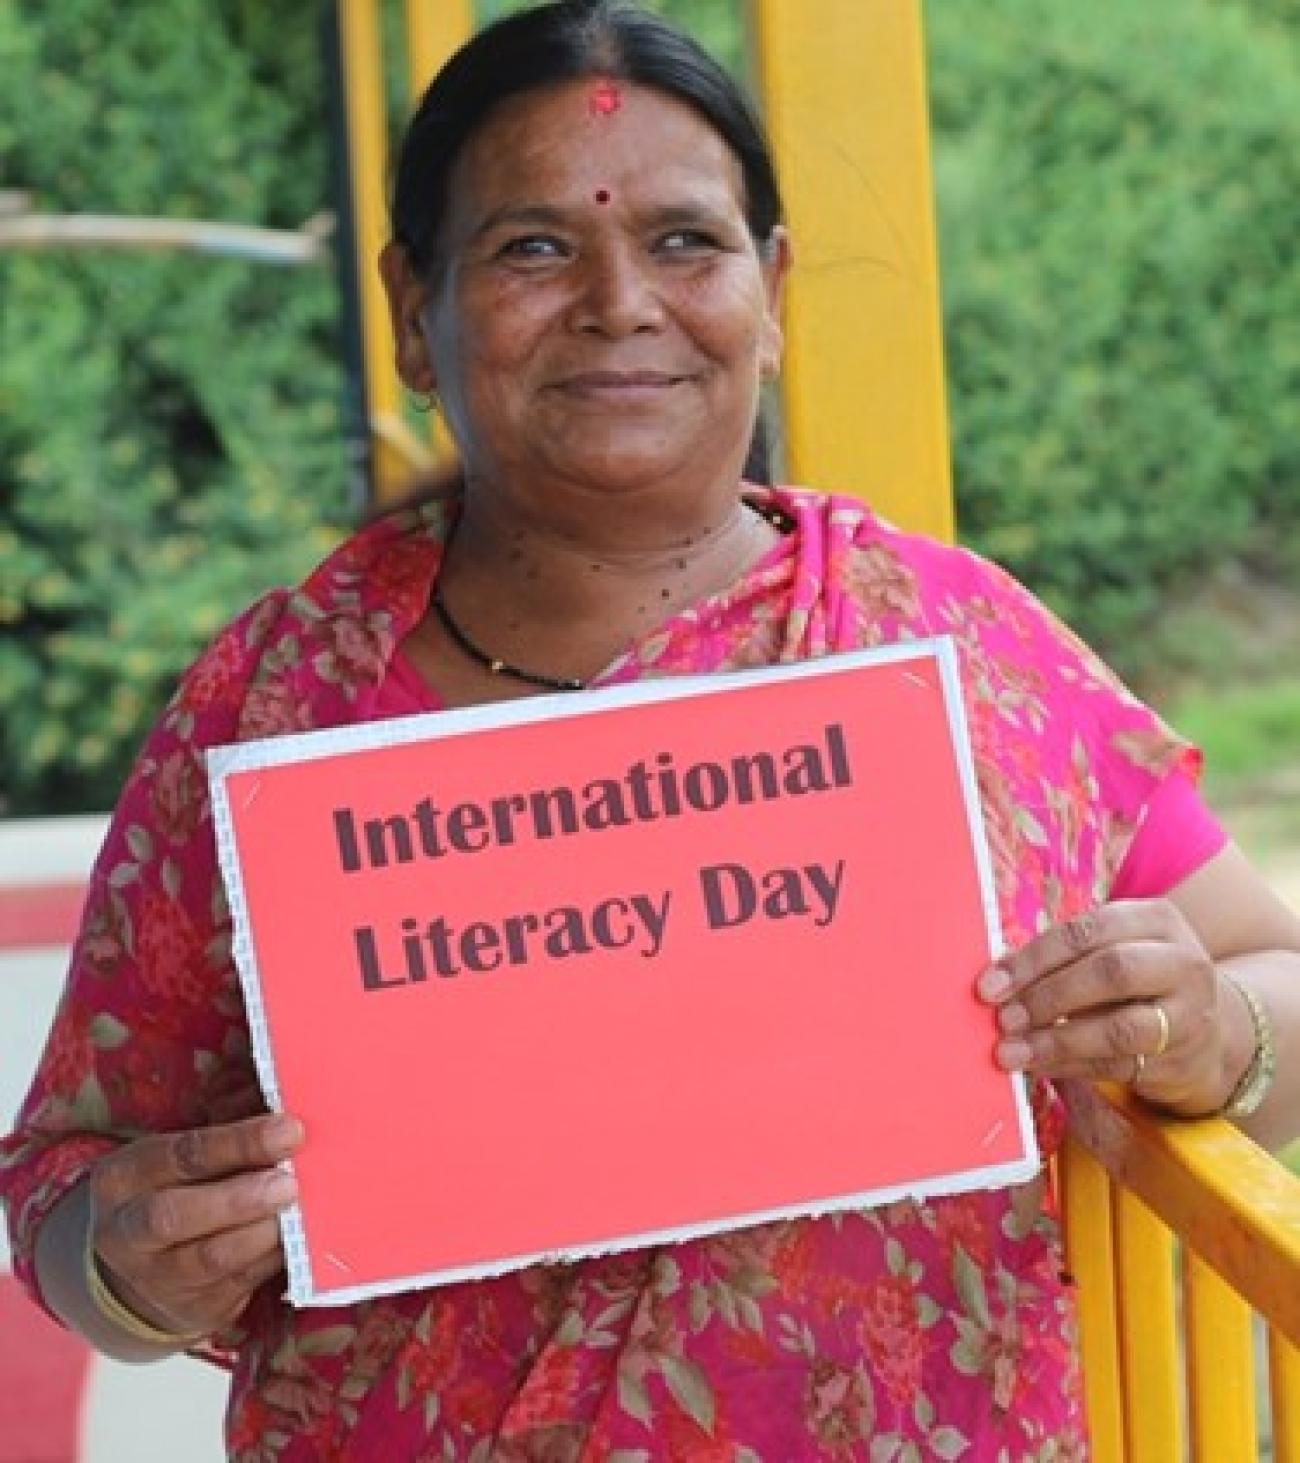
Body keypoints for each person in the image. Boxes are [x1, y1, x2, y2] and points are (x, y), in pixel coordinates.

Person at [4, 2, 1298, 1457]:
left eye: (687, 241)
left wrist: (1213, 1032)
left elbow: (1275, 971)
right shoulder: (277, 703)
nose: (621, 300)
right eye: (533, 248)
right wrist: (124, 1264)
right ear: (409, 308)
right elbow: (63, 1180)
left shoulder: (953, 646)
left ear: (775, 288)